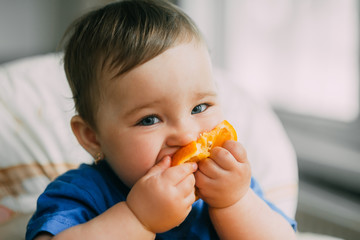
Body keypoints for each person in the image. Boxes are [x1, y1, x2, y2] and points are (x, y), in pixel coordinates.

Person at [26, 0, 297, 239]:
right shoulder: (82, 194)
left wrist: (234, 203)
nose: (188, 136)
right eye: (149, 120)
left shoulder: (229, 184)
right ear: (92, 137)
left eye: (200, 106)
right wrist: (137, 219)